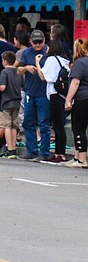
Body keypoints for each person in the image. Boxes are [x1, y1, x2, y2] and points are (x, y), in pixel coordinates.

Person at [18, 29, 51, 161]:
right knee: (28, 121)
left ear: (44, 41)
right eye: (35, 42)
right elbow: (19, 69)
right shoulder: (26, 53)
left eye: (40, 42)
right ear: (31, 42)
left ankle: (44, 151)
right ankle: (31, 149)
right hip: (30, 91)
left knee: (43, 123)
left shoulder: (49, 52)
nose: (37, 45)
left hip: (44, 92)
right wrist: (26, 68)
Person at [40, 38, 71, 163]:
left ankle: (60, 154)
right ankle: (60, 152)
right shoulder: (65, 61)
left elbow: (45, 77)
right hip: (63, 95)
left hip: (55, 94)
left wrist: (37, 63)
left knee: (57, 125)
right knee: (59, 125)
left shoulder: (51, 60)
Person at [65, 38, 88, 168]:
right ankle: (76, 156)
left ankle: (82, 159)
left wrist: (68, 99)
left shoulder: (79, 63)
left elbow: (75, 82)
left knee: (78, 128)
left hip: (82, 98)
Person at [0, 50, 22, 158]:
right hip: (16, 101)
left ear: (5, 61)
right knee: (14, 126)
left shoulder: (4, 72)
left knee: (6, 125)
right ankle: (14, 149)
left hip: (6, 102)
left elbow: (3, 87)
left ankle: (10, 148)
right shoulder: (18, 72)